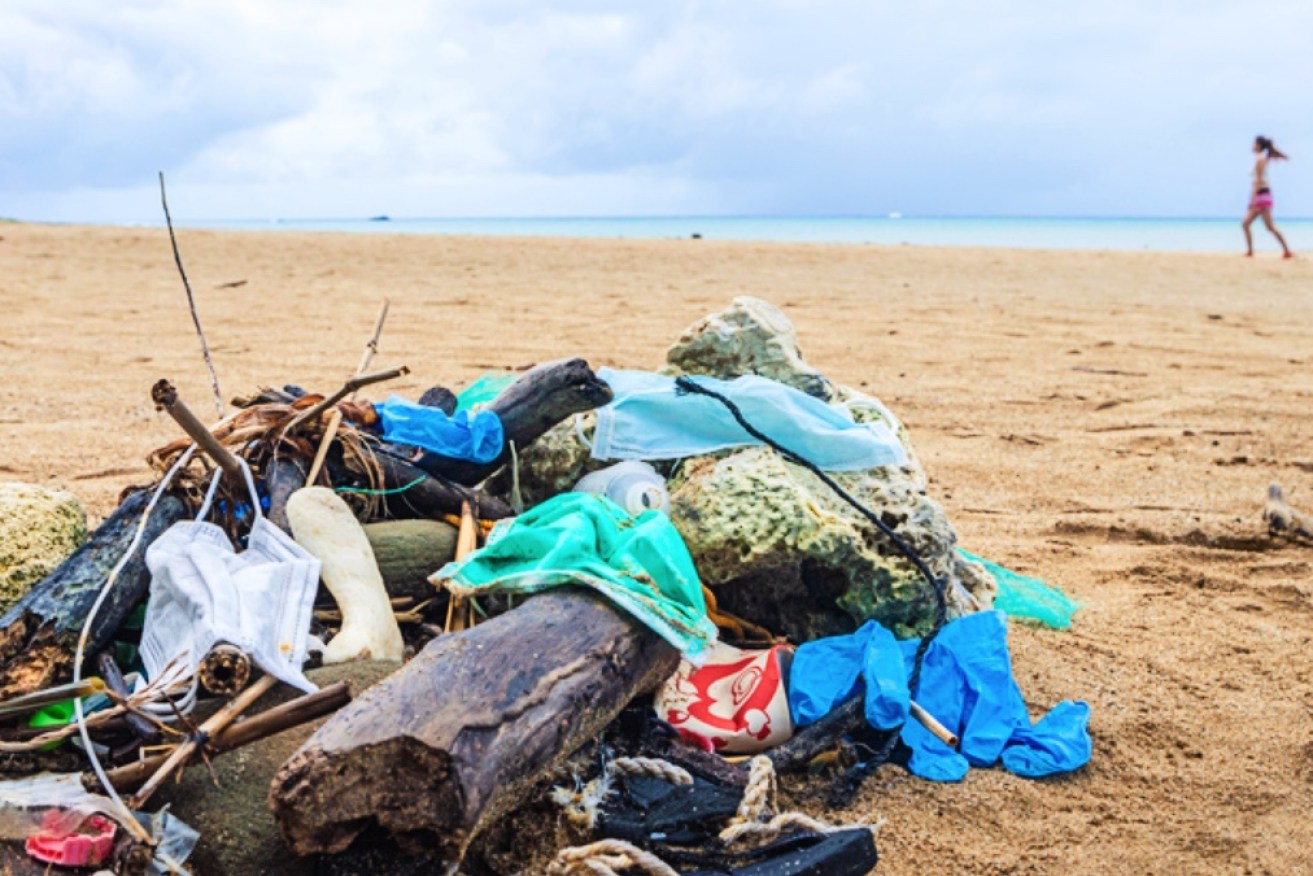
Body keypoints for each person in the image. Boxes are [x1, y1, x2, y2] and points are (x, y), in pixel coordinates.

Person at [1243, 135, 1294, 258]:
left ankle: (1287, 251)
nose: (1252, 146)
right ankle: (1250, 252)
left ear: (1259, 145)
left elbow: (1258, 179)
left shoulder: (1260, 159)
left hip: (1261, 195)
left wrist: (1253, 198)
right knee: (1247, 224)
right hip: (1262, 194)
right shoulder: (1261, 158)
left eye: (1254, 143)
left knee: (1269, 227)